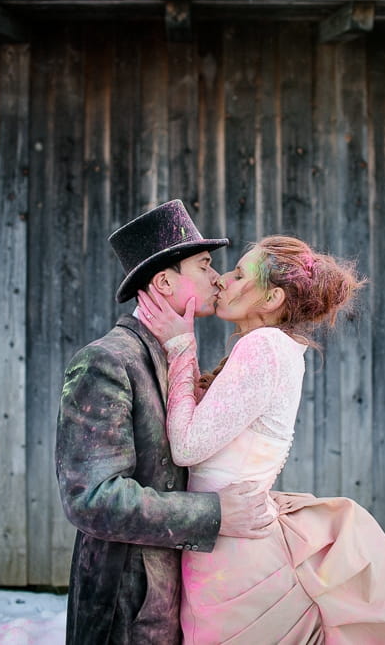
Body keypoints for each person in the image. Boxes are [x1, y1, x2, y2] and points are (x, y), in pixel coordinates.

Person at [138, 235, 385, 645]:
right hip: (229, 540)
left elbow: (186, 447)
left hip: (234, 561)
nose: (222, 282)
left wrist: (180, 347)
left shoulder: (264, 347)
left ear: (271, 299)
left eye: (237, 275)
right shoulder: (272, 348)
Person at [55, 200, 275, 645]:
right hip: (126, 608)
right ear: (164, 281)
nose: (217, 277)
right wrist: (216, 514)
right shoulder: (107, 361)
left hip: (183, 599)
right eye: (205, 265)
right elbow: (93, 499)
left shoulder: (178, 355)